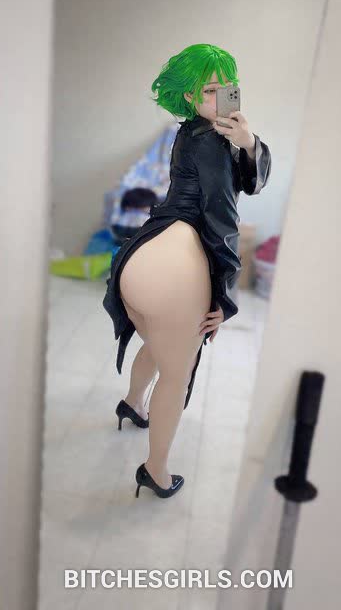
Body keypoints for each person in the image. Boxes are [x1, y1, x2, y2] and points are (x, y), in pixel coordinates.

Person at [102, 43, 272, 498]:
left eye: (227, 87)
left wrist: (247, 143)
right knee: (178, 372)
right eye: (209, 90)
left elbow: (248, 179)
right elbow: (222, 217)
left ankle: (133, 404)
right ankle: (156, 471)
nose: (221, 98)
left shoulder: (192, 132)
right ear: (190, 96)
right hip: (177, 262)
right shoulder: (212, 141)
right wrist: (224, 294)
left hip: (144, 253)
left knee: (157, 342)